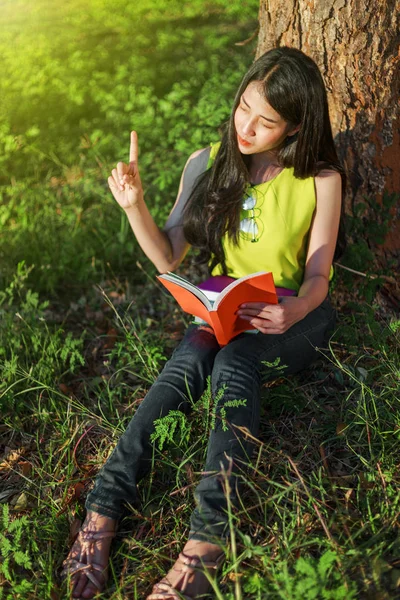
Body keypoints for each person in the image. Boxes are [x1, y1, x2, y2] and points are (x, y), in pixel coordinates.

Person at [62, 46, 344, 599]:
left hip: (296, 314)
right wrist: (132, 206)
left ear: (295, 125)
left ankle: (208, 542)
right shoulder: (208, 161)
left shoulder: (320, 177)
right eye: (244, 108)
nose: (247, 126)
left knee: (235, 364)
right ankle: (103, 507)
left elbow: (318, 276)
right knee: (186, 363)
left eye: (266, 121)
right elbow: (168, 255)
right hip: (225, 308)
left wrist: (296, 308)